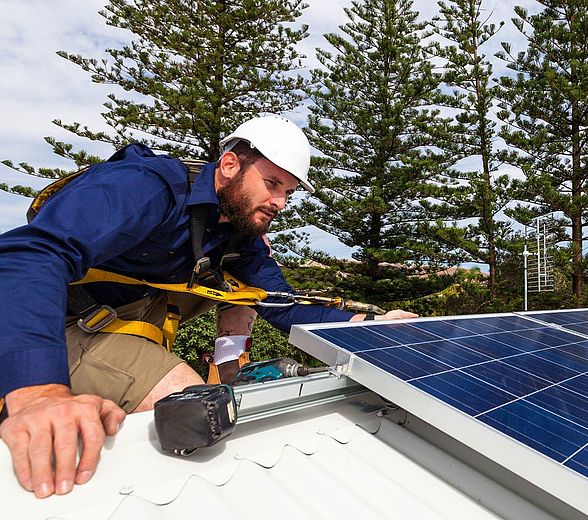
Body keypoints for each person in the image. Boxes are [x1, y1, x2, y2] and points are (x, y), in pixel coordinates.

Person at [0, 115, 416, 499]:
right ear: (230, 165)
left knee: (244, 288)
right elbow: (28, 256)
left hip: (134, 311)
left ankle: (228, 370)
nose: (281, 203)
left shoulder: (239, 234)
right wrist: (38, 392)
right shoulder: (147, 186)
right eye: (272, 183)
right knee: (190, 401)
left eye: (287, 192)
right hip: (61, 321)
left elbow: (279, 303)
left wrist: (363, 324)